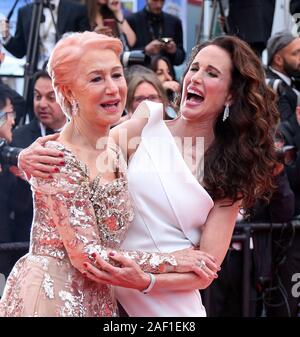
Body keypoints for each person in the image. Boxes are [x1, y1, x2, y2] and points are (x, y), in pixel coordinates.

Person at [18, 35, 279, 317]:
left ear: (230, 94)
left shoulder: (232, 169)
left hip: (169, 307)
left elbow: (205, 271)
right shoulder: (145, 125)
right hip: (102, 294)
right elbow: (83, 144)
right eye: (194, 68)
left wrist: (146, 281)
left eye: (212, 73)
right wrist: (31, 152)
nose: (196, 78)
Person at [0, 0, 90, 70]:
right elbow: (20, 52)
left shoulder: (76, 9)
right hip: (35, 75)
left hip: (66, 72)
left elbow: (86, 47)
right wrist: (6, 36)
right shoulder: (24, 11)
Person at [127, 0, 185, 67]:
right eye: (155, 1)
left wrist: (174, 51)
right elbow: (125, 56)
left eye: (162, 1)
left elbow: (180, 59)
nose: (159, 5)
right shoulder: (132, 20)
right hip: (140, 73)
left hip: (167, 73)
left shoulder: (174, 22)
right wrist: (145, 50)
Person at [265, 31, 300, 122]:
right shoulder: (273, 88)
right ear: (278, 60)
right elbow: (287, 128)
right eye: (296, 53)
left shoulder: (293, 79)